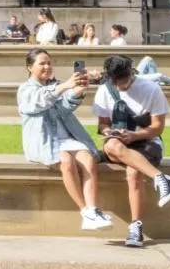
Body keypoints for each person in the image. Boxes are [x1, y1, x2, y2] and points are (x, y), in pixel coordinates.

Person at [94, 55, 170, 248]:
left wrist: (134, 136)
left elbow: (158, 127)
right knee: (110, 145)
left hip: (147, 142)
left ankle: (136, 226)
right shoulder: (104, 90)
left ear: (131, 73)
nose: (120, 87)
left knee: (133, 171)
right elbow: (103, 125)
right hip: (119, 144)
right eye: (115, 83)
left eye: (124, 82)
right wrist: (110, 132)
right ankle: (162, 179)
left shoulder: (151, 89)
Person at [18, 48, 111, 232]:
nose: (47, 66)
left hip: (66, 138)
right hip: (43, 140)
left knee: (87, 158)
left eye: (49, 63)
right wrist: (65, 86)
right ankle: (84, 211)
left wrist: (78, 90)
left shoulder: (57, 85)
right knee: (66, 161)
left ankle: (93, 210)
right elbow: (39, 101)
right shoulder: (25, 89)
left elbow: (64, 107)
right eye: (42, 63)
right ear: (30, 67)